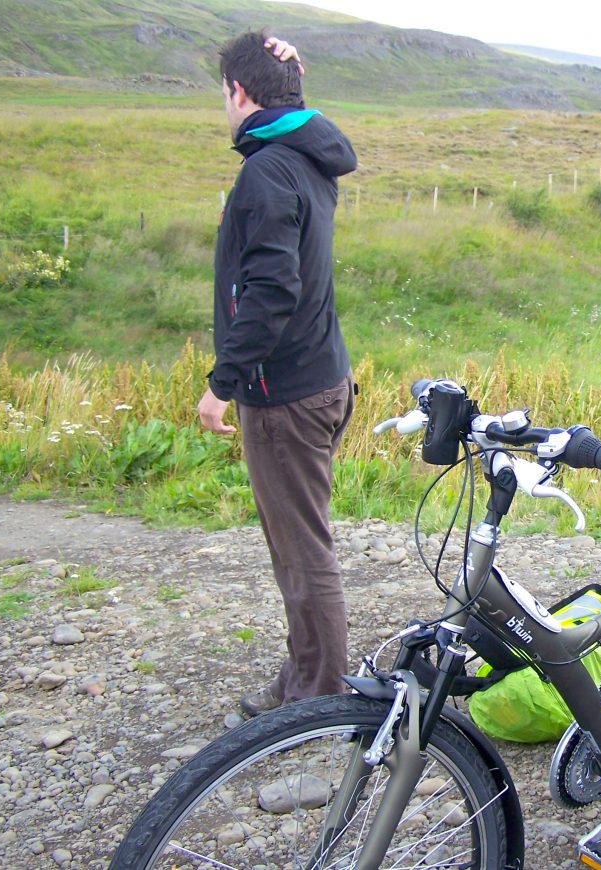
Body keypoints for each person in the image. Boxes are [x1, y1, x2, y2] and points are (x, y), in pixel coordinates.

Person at [197, 31, 358, 716]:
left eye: (223, 92)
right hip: (321, 378)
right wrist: (296, 87)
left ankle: (318, 698)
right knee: (298, 544)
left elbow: (270, 290)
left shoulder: (268, 169)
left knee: (301, 551)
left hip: (285, 393)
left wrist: (221, 382)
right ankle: (305, 678)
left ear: (238, 91)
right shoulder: (305, 152)